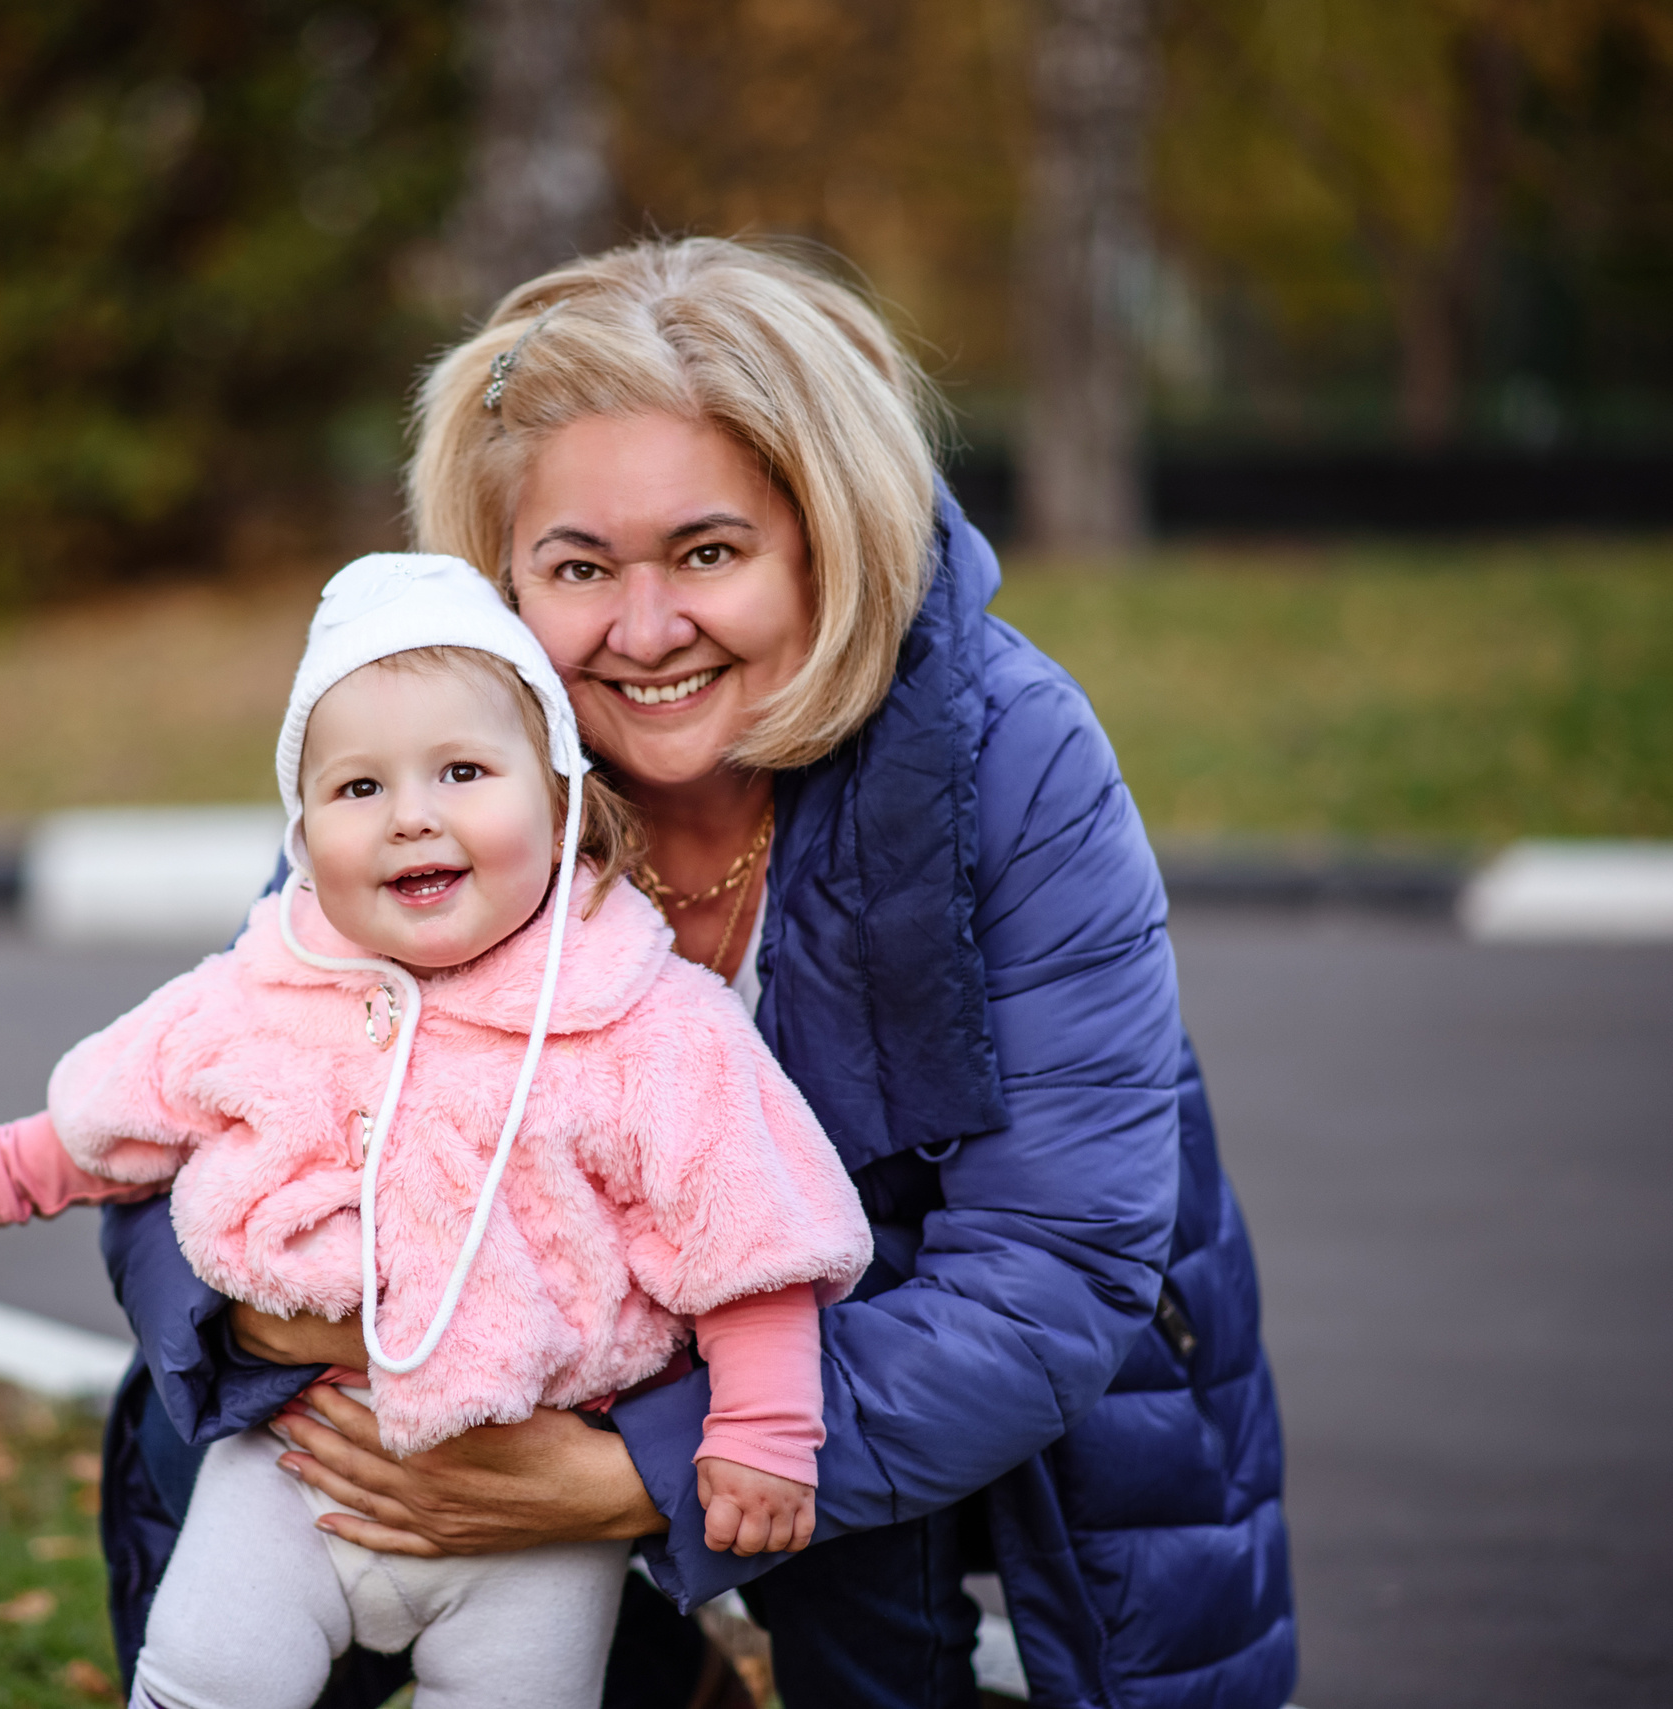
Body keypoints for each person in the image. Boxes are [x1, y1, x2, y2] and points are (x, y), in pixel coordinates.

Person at [96, 239, 1297, 1709]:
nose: (646, 630)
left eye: (708, 554)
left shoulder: (1011, 756)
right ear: (505, 581)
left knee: (871, 1519)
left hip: (947, 1390)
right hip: (558, 1352)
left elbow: (1054, 1266)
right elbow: (212, 1087)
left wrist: (621, 1477)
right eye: (580, 569)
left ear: (823, 540)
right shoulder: (458, 768)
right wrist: (275, 1325)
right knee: (253, 1448)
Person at [0, 552, 874, 1709]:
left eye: (461, 771)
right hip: (296, 1462)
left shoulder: (639, 1017)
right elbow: (123, 1111)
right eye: (358, 788)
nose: (411, 816)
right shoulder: (268, 982)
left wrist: (758, 1431)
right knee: (206, 1674)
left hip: (530, 1494)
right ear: (302, 829)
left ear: (558, 799)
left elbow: (744, 1232)